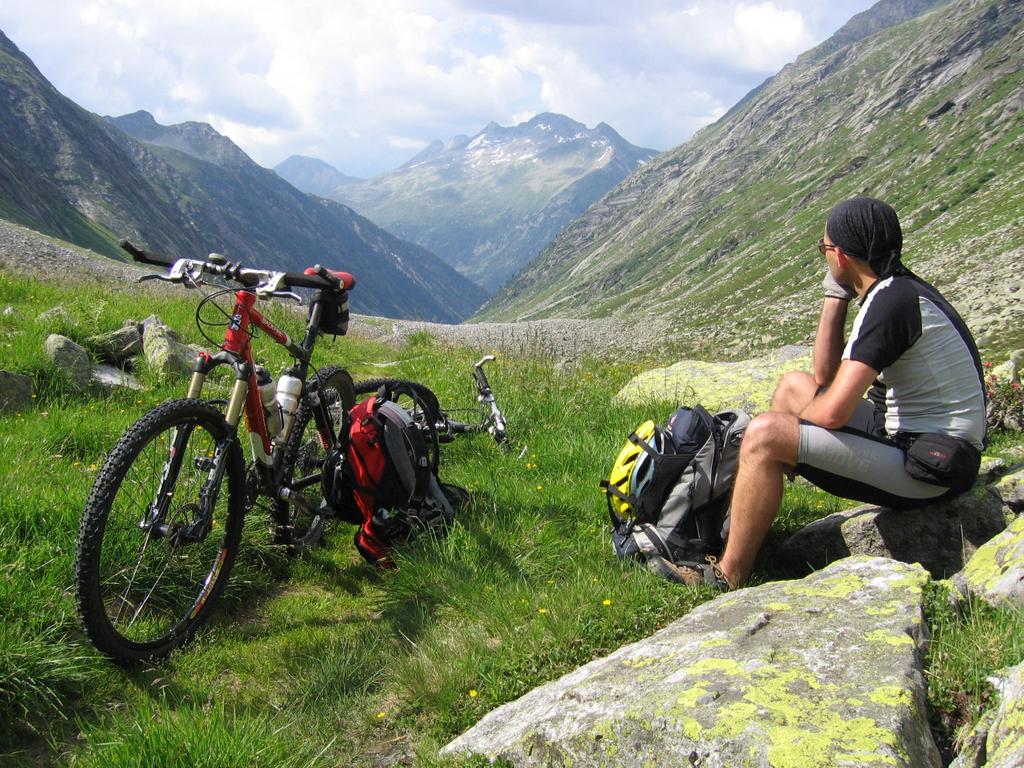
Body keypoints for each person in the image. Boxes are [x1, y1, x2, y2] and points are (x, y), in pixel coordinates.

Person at [648, 196, 987, 590]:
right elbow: (825, 376)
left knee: (765, 435)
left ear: (840, 255)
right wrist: (835, 294)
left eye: (824, 250)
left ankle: (728, 575)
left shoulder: (890, 304)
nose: (824, 257)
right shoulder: (892, 291)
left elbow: (832, 414)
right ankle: (739, 520)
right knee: (794, 387)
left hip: (931, 466)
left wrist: (785, 437)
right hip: (913, 436)